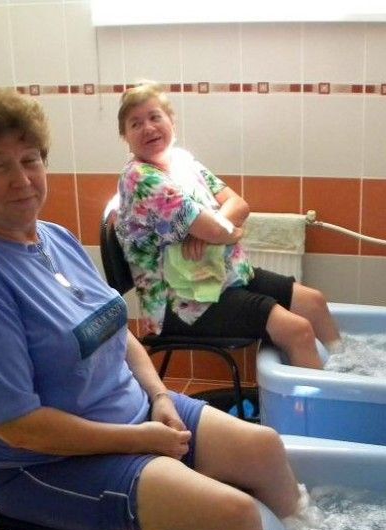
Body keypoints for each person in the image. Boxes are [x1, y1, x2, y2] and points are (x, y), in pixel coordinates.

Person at [0, 85, 303, 530]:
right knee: (232, 516)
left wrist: (159, 397)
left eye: (31, 160)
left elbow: (113, 327)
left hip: (131, 412)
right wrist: (141, 439)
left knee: (264, 449)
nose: (22, 179)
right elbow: (19, 427)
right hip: (43, 465)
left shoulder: (53, 237)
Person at [114, 81, 341, 370]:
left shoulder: (183, 162)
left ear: (172, 122)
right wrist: (228, 233)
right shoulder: (141, 178)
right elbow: (220, 230)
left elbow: (239, 205)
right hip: (182, 302)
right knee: (298, 331)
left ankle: (349, 373)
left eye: (155, 117)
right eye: (135, 124)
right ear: (126, 137)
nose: (148, 128)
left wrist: (211, 233)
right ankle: (323, 399)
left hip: (223, 277)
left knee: (314, 302)